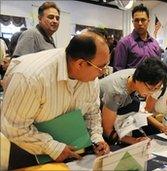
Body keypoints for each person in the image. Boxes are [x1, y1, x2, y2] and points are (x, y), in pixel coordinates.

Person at [1, 29, 110, 169]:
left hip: (70, 150)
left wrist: (97, 139)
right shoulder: (31, 78)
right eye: (101, 67)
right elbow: (14, 127)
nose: (103, 72)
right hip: (28, 149)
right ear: (80, 64)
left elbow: (92, 113)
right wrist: (52, 148)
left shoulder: (90, 77)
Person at [100, 57, 167, 145]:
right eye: (151, 88)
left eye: (157, 89)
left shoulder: (137, 75)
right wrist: (135, 141)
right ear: (139, 79)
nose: (152, 93)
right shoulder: (117, 92)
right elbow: (107, 130)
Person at [113, 4, 161, 71]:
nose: (140, 23)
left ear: (148, 21)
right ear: (133, 22)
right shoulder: (124, 43)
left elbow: (159, 69)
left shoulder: (155, 44)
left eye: (143, 20)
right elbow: (118, 71)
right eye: (136, 20)